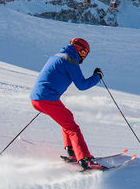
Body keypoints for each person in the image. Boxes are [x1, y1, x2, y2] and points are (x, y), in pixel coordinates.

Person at [29, 38, 105, 170]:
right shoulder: (70, 61)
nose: (84, 57)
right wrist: (97, 76)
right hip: (47, 99)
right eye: (84, 53)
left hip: (37, 98)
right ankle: (85, 159)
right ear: (80, 50)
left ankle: (71, 151)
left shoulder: (56, 57)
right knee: (73, 128)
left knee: (67, 118)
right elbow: (82, 85)